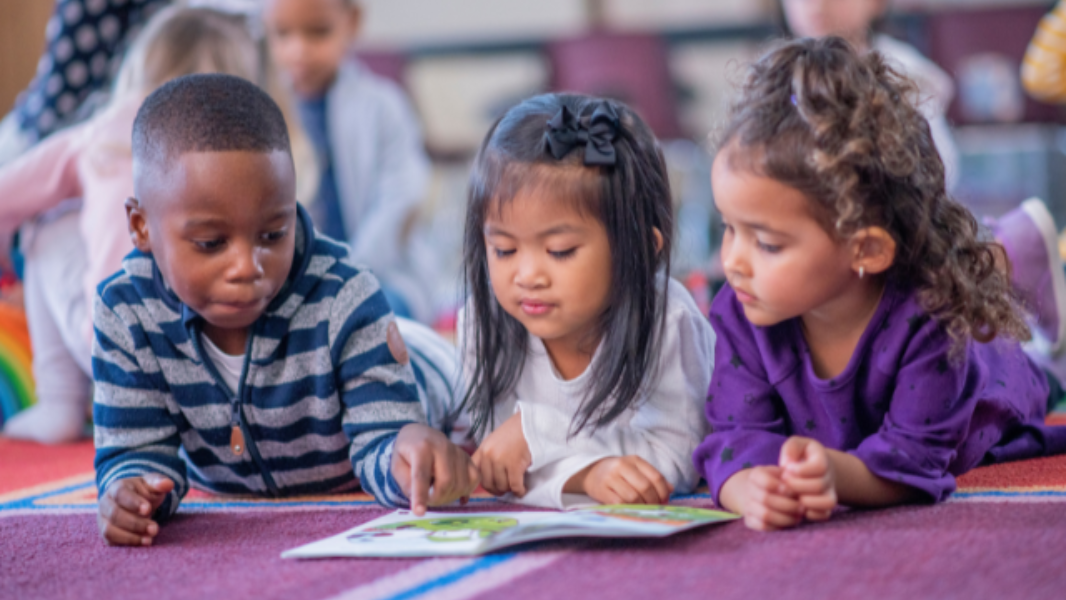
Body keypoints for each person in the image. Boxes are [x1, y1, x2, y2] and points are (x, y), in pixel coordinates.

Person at [695, 37, 1066, 532]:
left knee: (1046, 377)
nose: (731, 262)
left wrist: (835, 474)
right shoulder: (741, 309)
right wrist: (750, 488)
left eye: (767, 243)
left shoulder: (931, 320)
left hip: (995, 376)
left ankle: (1025, 289)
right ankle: (1010, 250)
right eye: (728, 228)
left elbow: (915, 459)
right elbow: (734, 435)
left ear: (866, 250)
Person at [92, 73, 476, 547]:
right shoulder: (126, 312)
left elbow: (383, 436)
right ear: (140, 227)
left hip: (429, 370)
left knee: (480, 399)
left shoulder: (346, 294)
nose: (247, 267)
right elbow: (136, 451)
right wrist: (131, 494)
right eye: (211, 243)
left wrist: (406, 451)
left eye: (273, 234)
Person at [0, 6, 317, 444]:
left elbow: (8, 194)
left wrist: (9, 265)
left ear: (141, 66)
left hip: (115, 347)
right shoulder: (261, 155)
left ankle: (60, 401)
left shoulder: (107, 131)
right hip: (228, 352)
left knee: (44, 224)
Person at [459, 93, 715, 510]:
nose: (528, 276)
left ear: (639, 249)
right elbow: (503, 466)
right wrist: (586, 476)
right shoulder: (482, 323)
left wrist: (540, 433)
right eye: (504, 250)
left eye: (559, 251)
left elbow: (680, 457)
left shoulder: (667, 320)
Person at [261, 0, 434, 321]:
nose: (298, 50)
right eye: (282, 34)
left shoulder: (383, 105)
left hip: (383, 276)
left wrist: (346, 274)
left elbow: (400, 201)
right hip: (297, 285)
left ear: (351, 22)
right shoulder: (265, 111)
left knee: (370, 317)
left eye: (318, 32)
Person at [778, 0, 959, 192]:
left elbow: (938, 172)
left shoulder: (906, 73)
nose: (817, 4)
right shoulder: (775, 77)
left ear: (877, 3)